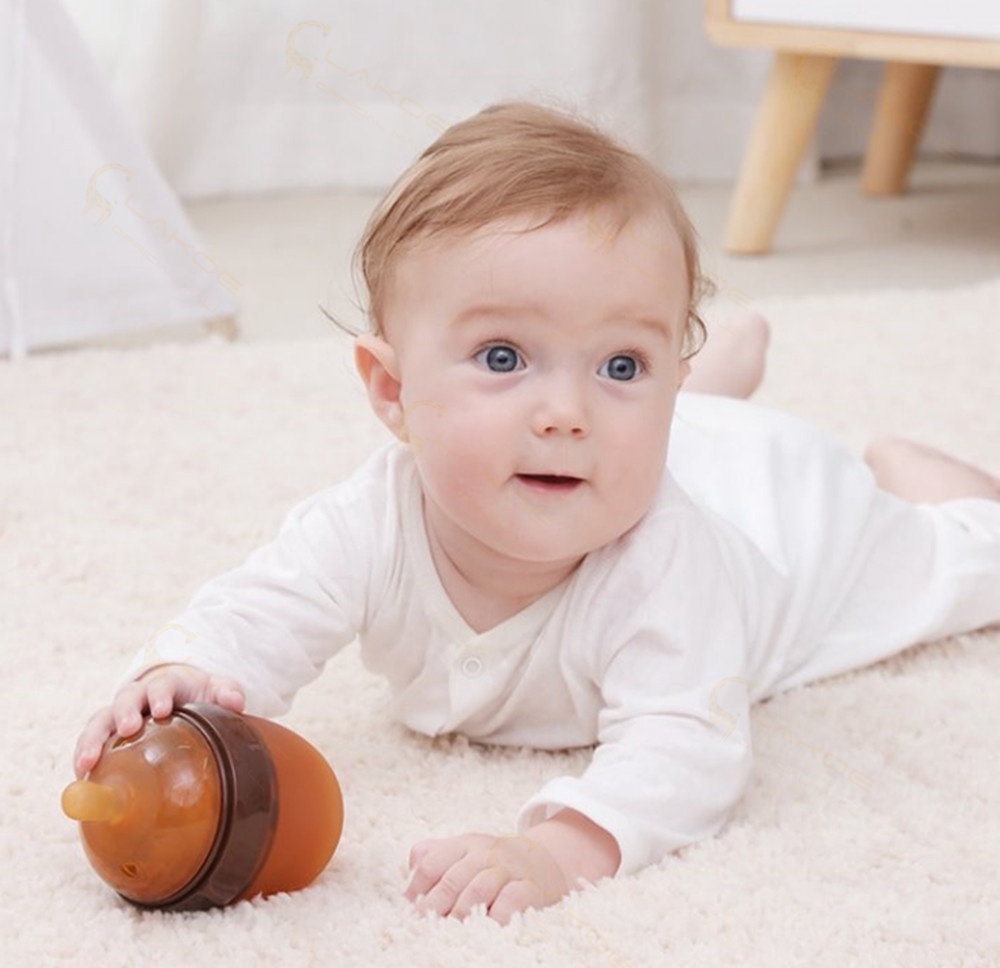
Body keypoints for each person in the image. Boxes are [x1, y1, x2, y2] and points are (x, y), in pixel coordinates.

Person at [72, 101, 1000, 925]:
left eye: (623, 365)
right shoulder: (369, 521)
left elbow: (689, 750)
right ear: (392, 390)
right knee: (634, 433)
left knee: (968, 570)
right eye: (505, 358)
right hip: (677, 446)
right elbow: (261, 609)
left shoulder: (674, 567)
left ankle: (933, 482)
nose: (564, 409)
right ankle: (714, 385)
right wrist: (184, 676)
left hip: (785, 510)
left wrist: (557, 851)